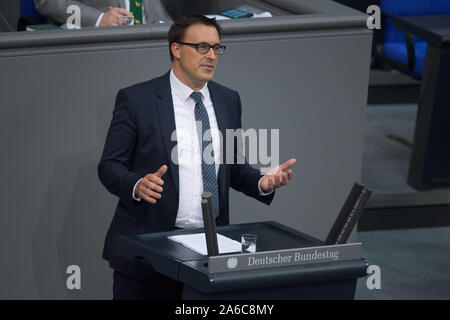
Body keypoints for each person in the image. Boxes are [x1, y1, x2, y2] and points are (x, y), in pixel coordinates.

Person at [98, 15, 297, 300]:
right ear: (176, 50)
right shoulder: (137, 99)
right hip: (149, 249)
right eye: (202, 47)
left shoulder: (228, 99)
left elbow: (233, 167)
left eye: (216, 48)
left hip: (209, 251)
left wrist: (263, 182)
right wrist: (136, 185)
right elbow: (109, 166)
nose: (211, 56)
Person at [34, 0, 172, 28]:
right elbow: (46, 2)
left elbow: (158, 13)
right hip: (100, 45)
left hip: (150, 46)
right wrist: (98, 19)